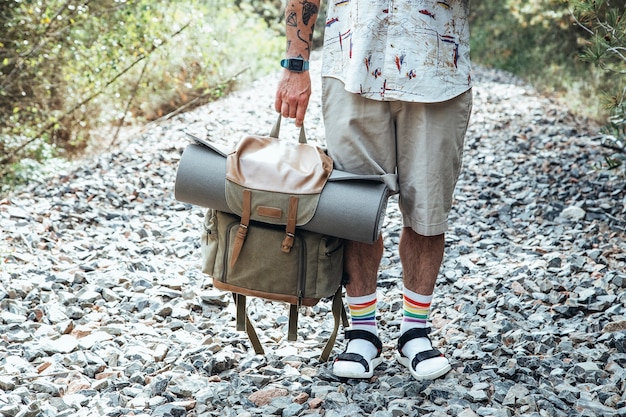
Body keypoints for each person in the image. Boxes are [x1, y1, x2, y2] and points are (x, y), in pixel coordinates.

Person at [275, 0, 472, 381]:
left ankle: (415, 330)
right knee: (354, 213)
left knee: (428, 213)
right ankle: (363, 332)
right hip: (352, 67)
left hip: (438, 69)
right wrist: (295, 65)